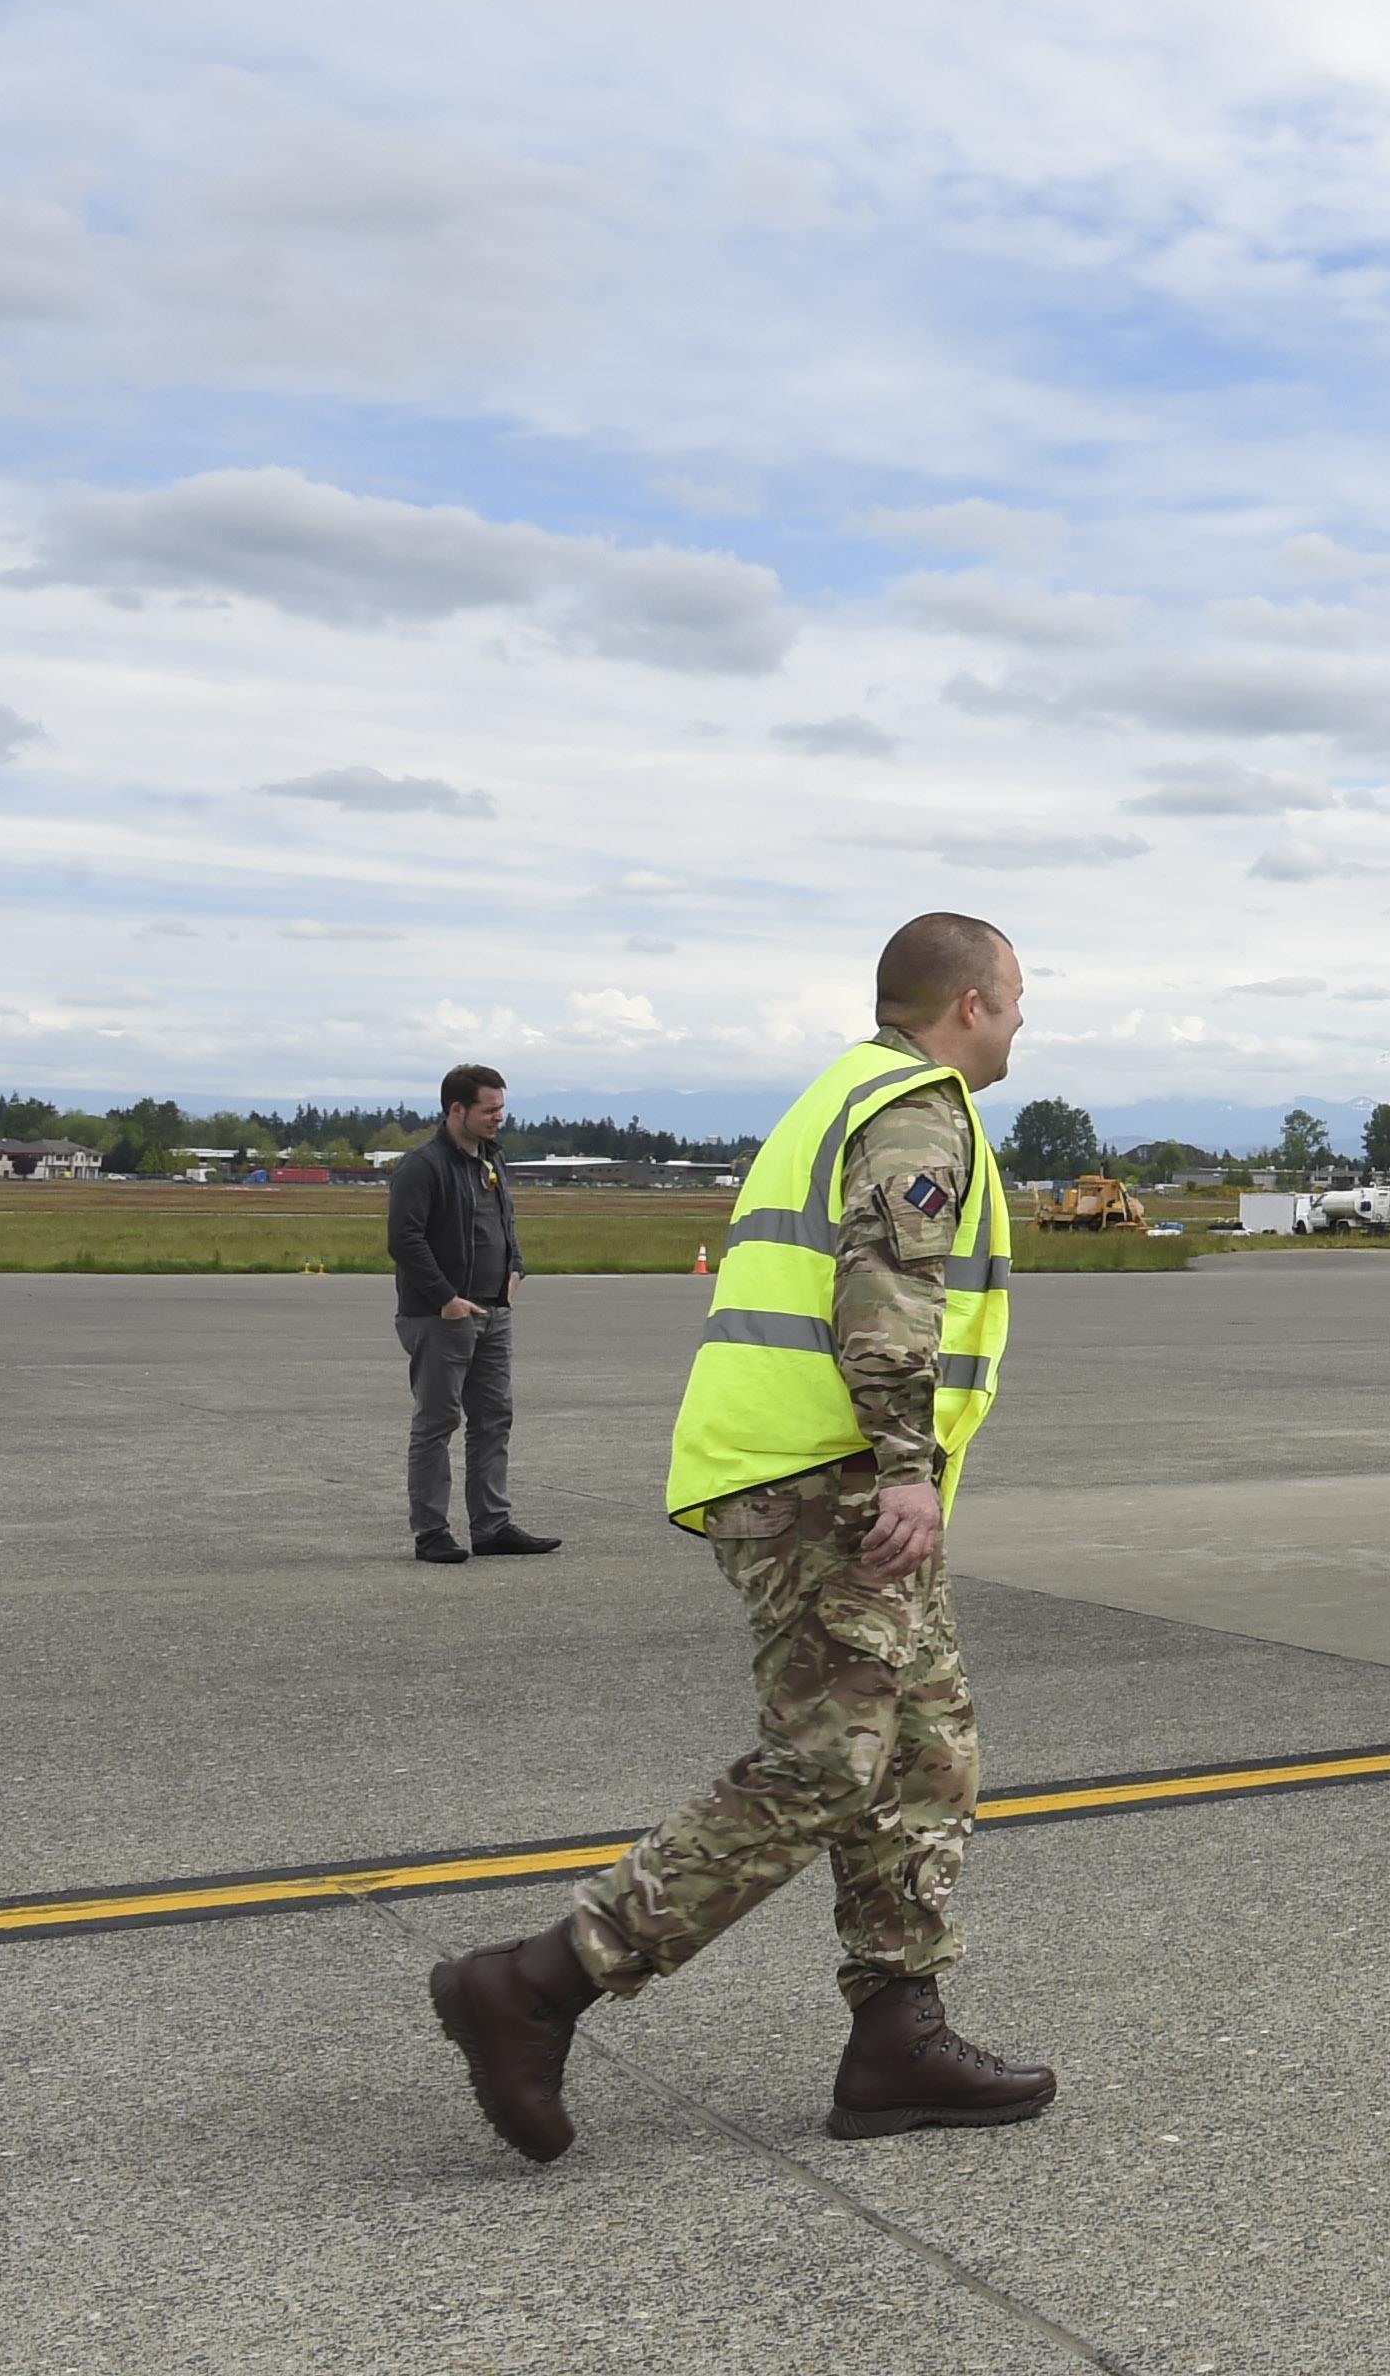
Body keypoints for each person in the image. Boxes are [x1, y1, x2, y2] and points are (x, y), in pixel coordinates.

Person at [430, 913, 1057, 2163]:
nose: (1025, 1024)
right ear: (970, 1005)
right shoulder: (917, 1106)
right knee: (831, 1757)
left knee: (925, 1749)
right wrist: (906, 1465)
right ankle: (542, 1981)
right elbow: (887, 1295)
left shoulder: (843, 1090)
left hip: (815, 1469)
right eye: (1018, 999)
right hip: (826, 1479)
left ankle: (896, 2034)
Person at [387, 1065, 556, 1563]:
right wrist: (445, 1297)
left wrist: (516, 1268)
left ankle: (492, 1524)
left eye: (501, 1108)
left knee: (493, 1419)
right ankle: (431, 1532)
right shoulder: (423, 1166)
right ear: (456, 1110)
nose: (497, 1118)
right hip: (442, 1318)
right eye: (489, 1109)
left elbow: (505, 1221)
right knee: (437, 1422)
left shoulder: (490, 1160)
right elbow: (404, 1239)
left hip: (494, 1311)